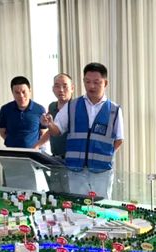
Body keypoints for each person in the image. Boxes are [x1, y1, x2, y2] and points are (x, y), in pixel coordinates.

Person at [37, 62, 123, 199]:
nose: (91, 86)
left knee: (101, 205)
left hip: (102, 171)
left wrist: (105, 155)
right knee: (77, 205)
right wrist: (50, 124)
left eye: (96, 82)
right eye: (87, 82)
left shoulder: (114, 109)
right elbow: (57, 130)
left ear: (105, 83)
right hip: (76, 170)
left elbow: (119, 139)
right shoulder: (72, 106)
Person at [0, 76, 47, 149]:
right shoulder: (5, 109)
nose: (21, 96)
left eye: (24, 92)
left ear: (29, 91)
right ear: (12, 93)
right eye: (17, 93)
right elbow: (2, 132)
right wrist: (12, 144)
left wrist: (36, 147)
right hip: (12, 152)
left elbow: (43, 133)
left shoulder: (40, 109)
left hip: (34, 152)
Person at [47, 73, 75, 157]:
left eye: (65, 86)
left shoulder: (77, 107)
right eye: (57, 86)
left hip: (72, 157)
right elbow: (50, 131)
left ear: (72, 88)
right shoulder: (52, 106)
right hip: (55, 156)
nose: (61, 90)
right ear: (53, 89)